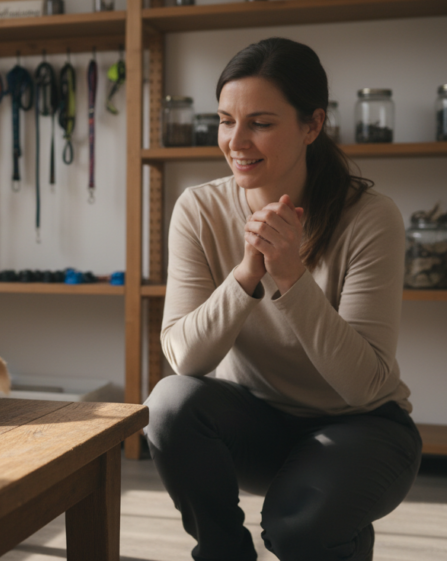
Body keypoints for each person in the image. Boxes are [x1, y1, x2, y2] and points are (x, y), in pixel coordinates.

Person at [144, 37, 422, 561]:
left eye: (261, 123)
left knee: (297, 528)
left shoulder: (369, 217)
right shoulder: (199, 209)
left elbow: (364, 384)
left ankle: (335, 531)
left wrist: (290, 274)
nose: (237, 141)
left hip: (362, 428)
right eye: (227, 120)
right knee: (168, 404)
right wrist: (249, 271)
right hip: (258, 424)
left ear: (312, 125)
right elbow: (184, 357)